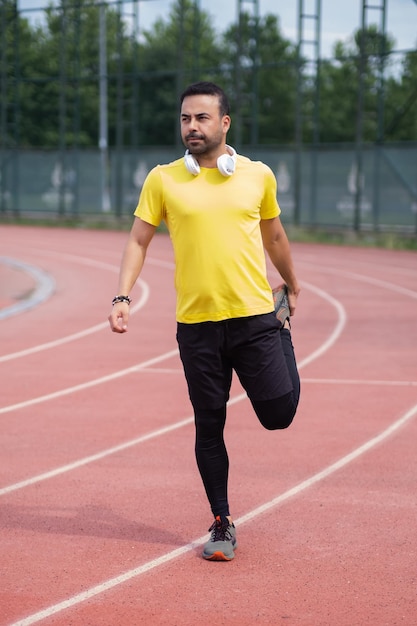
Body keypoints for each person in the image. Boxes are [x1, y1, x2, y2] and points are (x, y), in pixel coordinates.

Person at [108, 81, 301, 562]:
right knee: (208, 424)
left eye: (202, 118)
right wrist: (122, 295)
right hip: (196, 326)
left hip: (256, 318)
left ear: (225, 123)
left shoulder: (257, 176)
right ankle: (221, 522)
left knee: (279, 416)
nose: (192, 127)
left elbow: (274, 236)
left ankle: (284, 334)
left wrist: (291, 286)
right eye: (185, 119)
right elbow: (138, 240)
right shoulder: (164, 180)